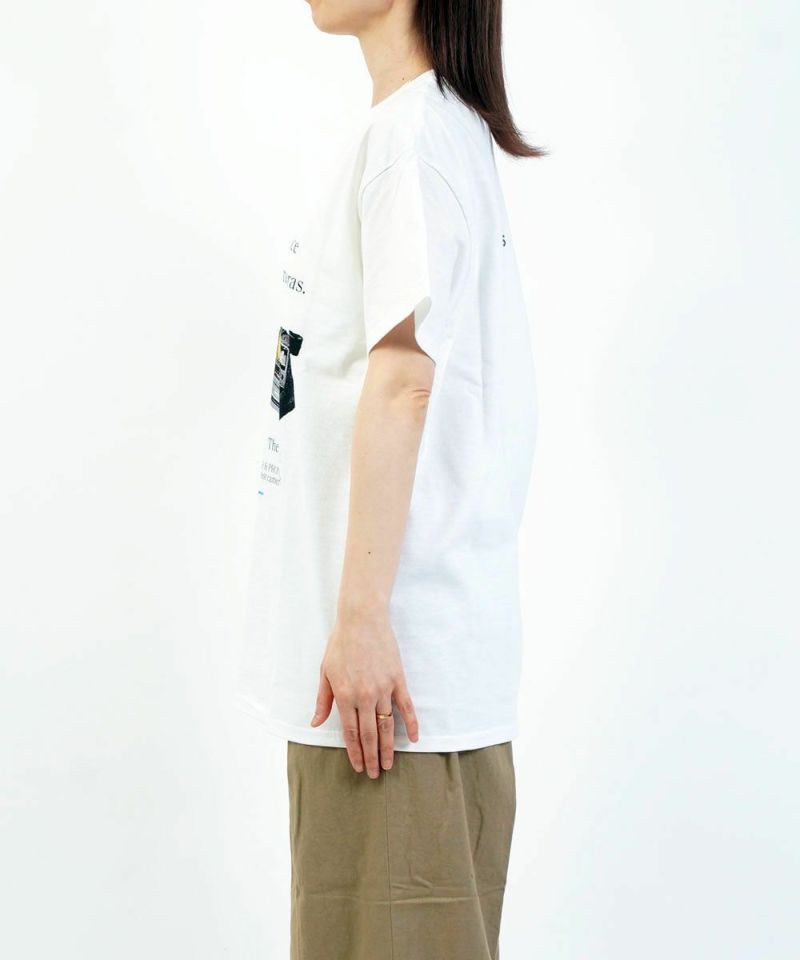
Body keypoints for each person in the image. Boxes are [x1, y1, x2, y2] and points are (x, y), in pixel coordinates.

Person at [235, 1, 546, 956]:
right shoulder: (424, 131)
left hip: (388, 696)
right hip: (385, 692)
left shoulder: (413, 137)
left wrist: (365, 621)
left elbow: (406, 379)